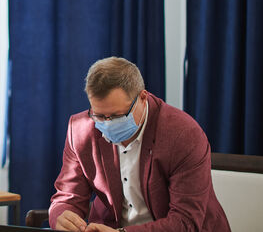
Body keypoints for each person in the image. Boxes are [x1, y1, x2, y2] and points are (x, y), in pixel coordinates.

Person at [49, 57, 230, 232]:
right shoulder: (81, 130)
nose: (108, 124)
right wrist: (62, 216)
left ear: (143, 98)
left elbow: (185, 222)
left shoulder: (183, 134)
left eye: (118, 116)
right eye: (99, 116)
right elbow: (67, 198)